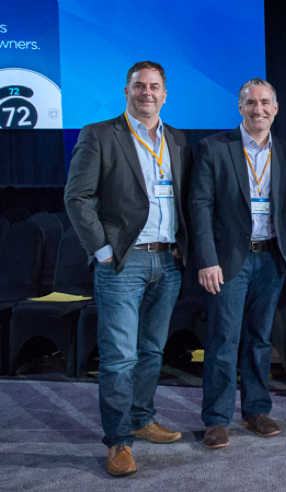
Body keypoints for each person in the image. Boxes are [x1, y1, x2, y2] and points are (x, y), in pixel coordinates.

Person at [64, 61, 191, 477]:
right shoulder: (99, 134)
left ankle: (141, 417)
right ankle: (118, 440)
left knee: (152, 350)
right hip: (123, 260)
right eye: (139, 86)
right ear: (126, 91)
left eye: (154, 86)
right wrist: (102, 250)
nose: (147, 93)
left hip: (167, 260)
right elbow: (77, 197)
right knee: (120, 356)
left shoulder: (177, 139)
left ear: (165, 94)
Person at [188, 78, 286, 448]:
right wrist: (207, 259)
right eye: (251, 103)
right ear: (240, 107)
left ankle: (256, 410)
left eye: (265, 102)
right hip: (228, 261)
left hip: (271, 258)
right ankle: (216, 419)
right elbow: (199, 207)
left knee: (260, 339)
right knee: (223, 340)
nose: (258, 109)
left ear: (275, 108)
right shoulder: (214, 148)